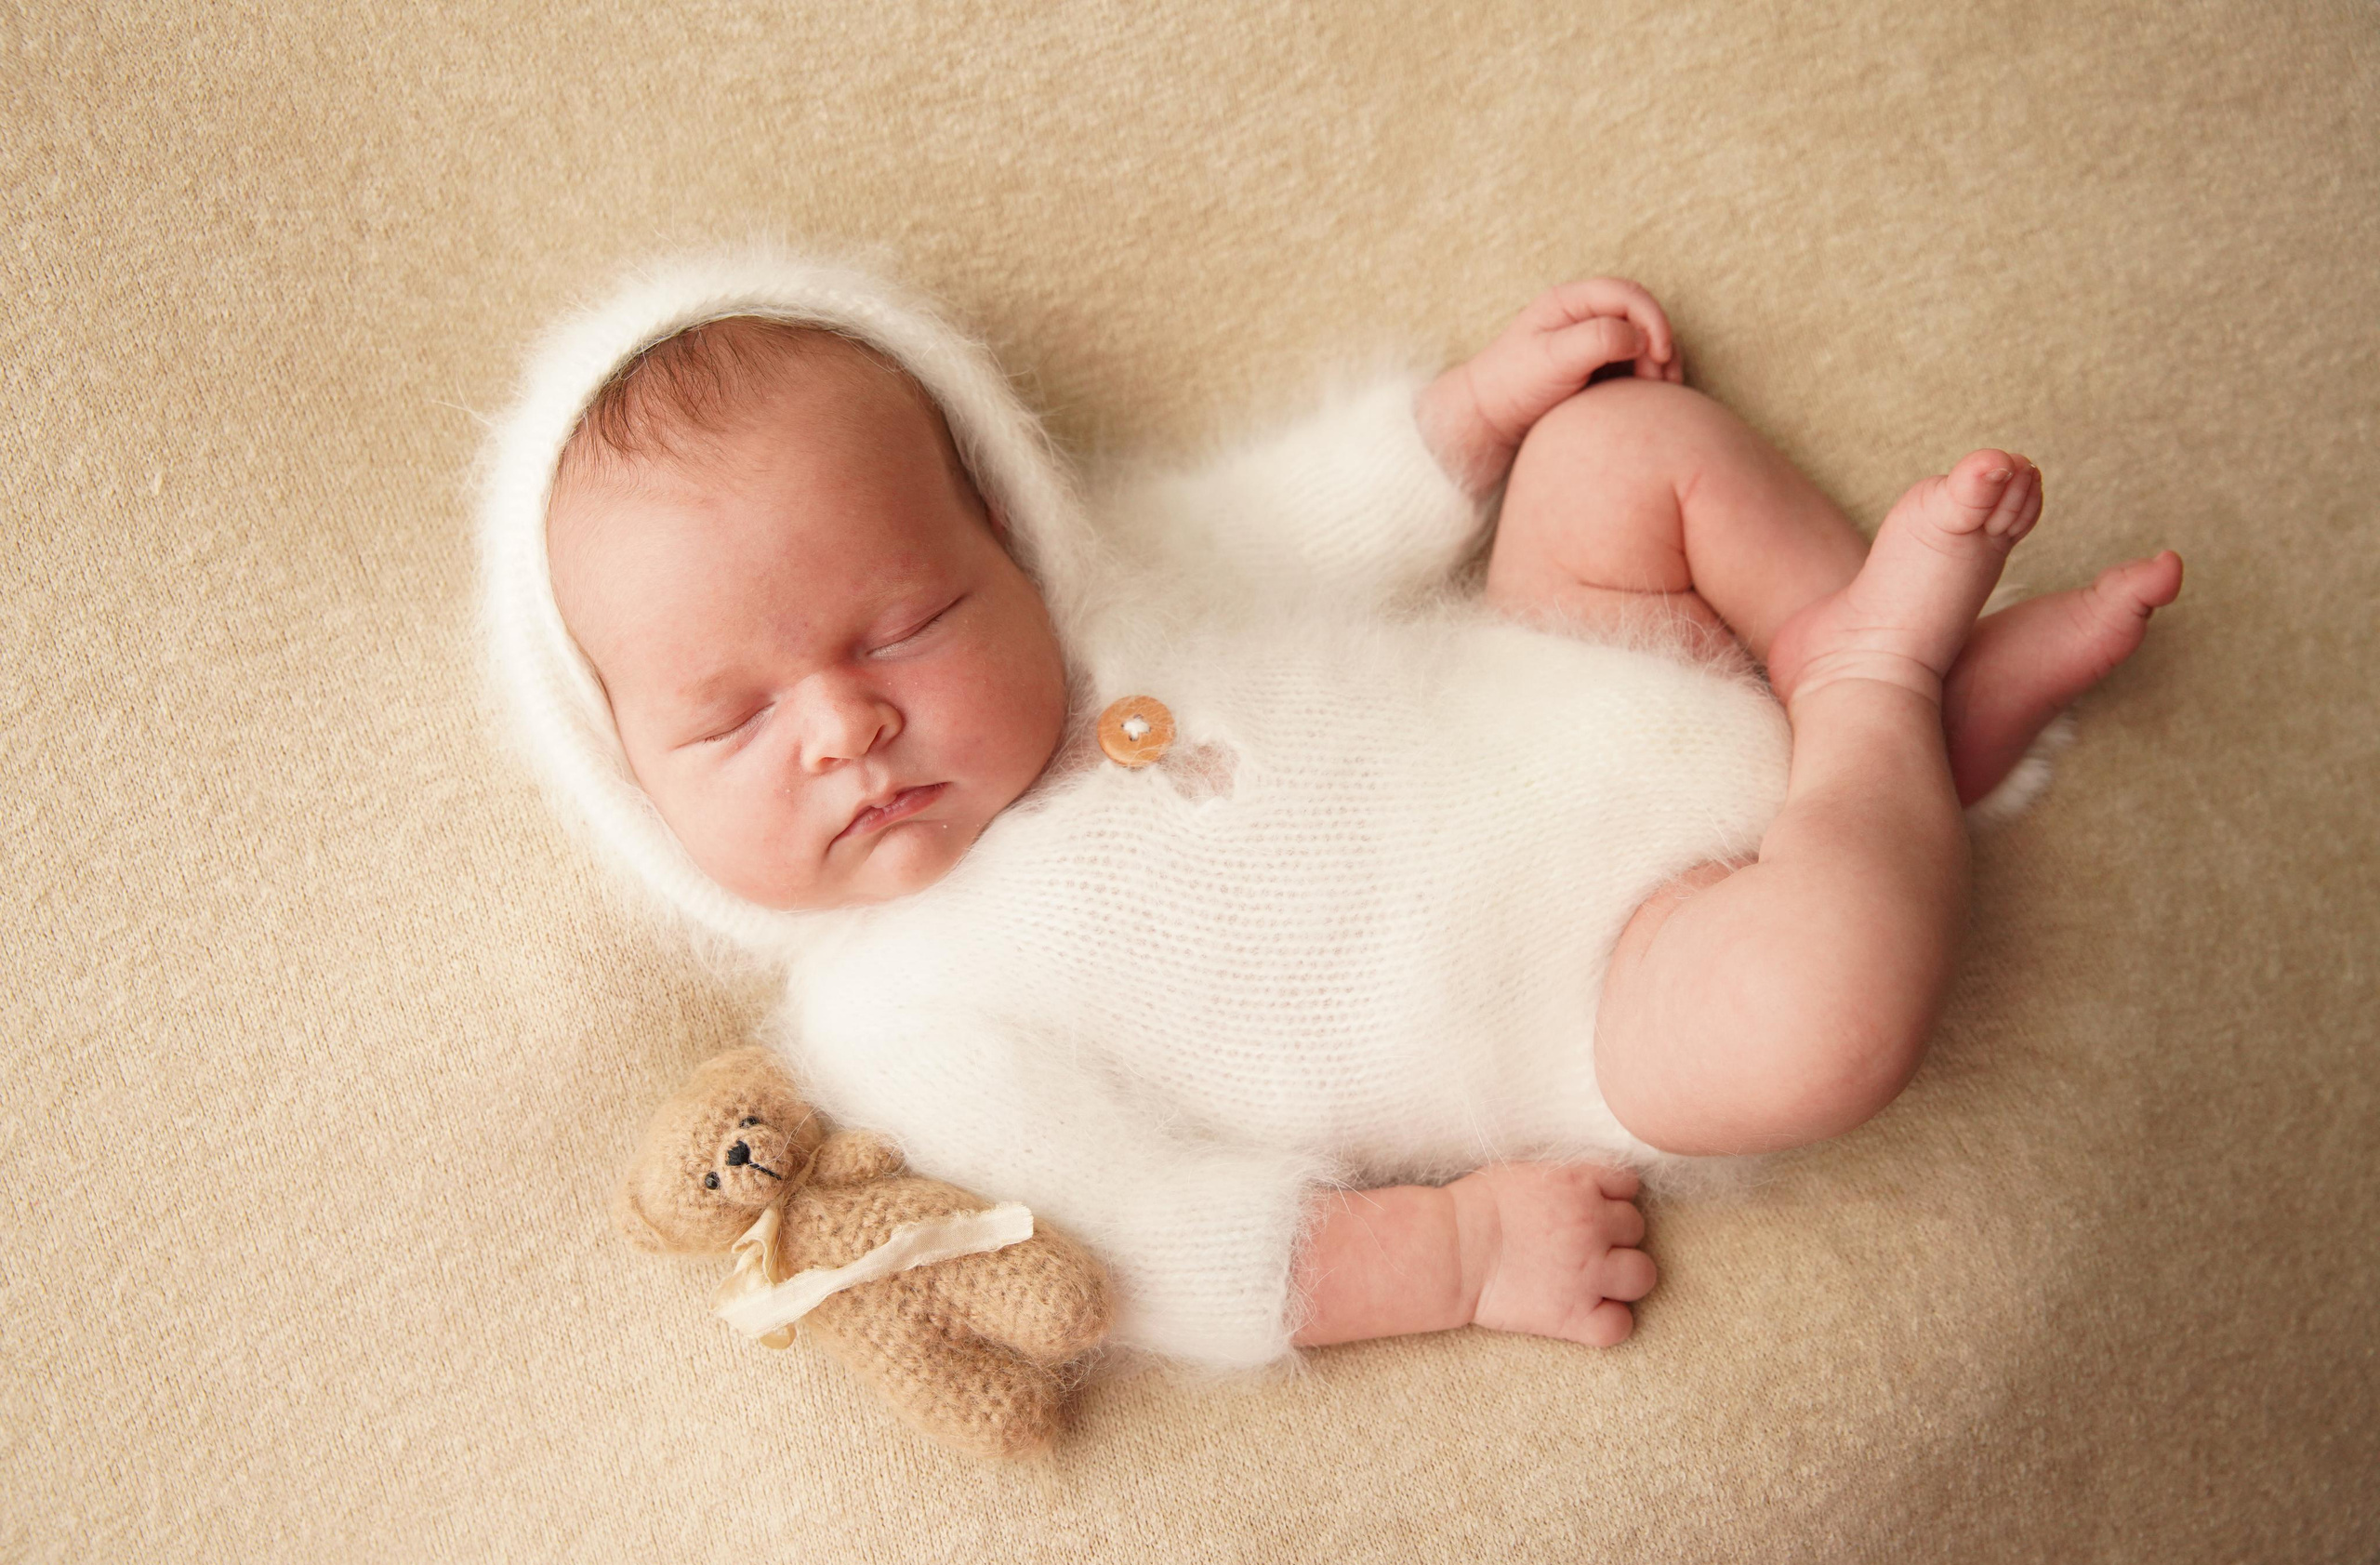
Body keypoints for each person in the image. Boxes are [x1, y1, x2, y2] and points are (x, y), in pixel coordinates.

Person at [482, 255, 2179, 1368]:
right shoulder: (907, 1022)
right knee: (1822, 1019)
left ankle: (1855, 679)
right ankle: (1884, 700)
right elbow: (1131, 1235)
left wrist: (1478, 414)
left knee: (1621, 453)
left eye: (907, 622)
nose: (845, 720)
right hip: (1605, 986)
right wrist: (1449, 1256)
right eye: (734, 716)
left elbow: (1306, 520)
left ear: (1009, 536)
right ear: (633, 794)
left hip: (1575, 658)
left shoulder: (1114, 590)